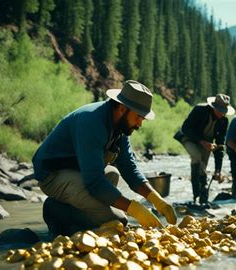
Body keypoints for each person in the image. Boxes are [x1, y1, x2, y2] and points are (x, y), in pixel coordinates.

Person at [32, 80, 177, 235]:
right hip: (52, 175)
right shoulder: (92, 122)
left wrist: (157, 200)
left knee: (112, 174)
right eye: (138, 117)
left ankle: (72, 207)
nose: (139, 124)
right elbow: (95, 182)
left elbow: (129, 168)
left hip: (77, 170)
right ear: (122, 109)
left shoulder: (120, 126)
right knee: (119, 221)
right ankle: (55, 210)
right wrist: (134, 209)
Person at [174, 94, 235, 206]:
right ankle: (195, 195)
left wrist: (218, 170)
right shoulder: (199, 110)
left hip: (206, 143)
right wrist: (201, 142)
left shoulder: (224, 122)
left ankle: (202, 199)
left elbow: (220, 145)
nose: (222, 113)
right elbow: (186, 128)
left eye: (224, 111)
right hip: (189, 138)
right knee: (196, 157)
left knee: (203, 168)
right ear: (213, 107)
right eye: (220, 110)